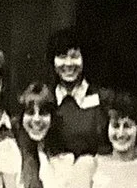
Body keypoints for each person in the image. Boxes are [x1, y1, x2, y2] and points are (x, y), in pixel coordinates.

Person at [43, 27, 109, 157]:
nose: (68, 64)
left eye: (74, 56)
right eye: (62, 57)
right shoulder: (45, 100)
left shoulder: (104, 99)